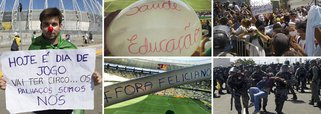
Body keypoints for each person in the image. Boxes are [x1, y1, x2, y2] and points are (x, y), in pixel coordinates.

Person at [1, 7, 101, 114]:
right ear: (41, 26)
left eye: (54, 24)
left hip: (66, 108)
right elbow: (25, 77)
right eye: (46, 24)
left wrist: (93, 79)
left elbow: (81, 77)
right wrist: (9, 83)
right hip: (41, 108)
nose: (50, 28)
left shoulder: (71, 49)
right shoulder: (34, 48)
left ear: (60, 26)